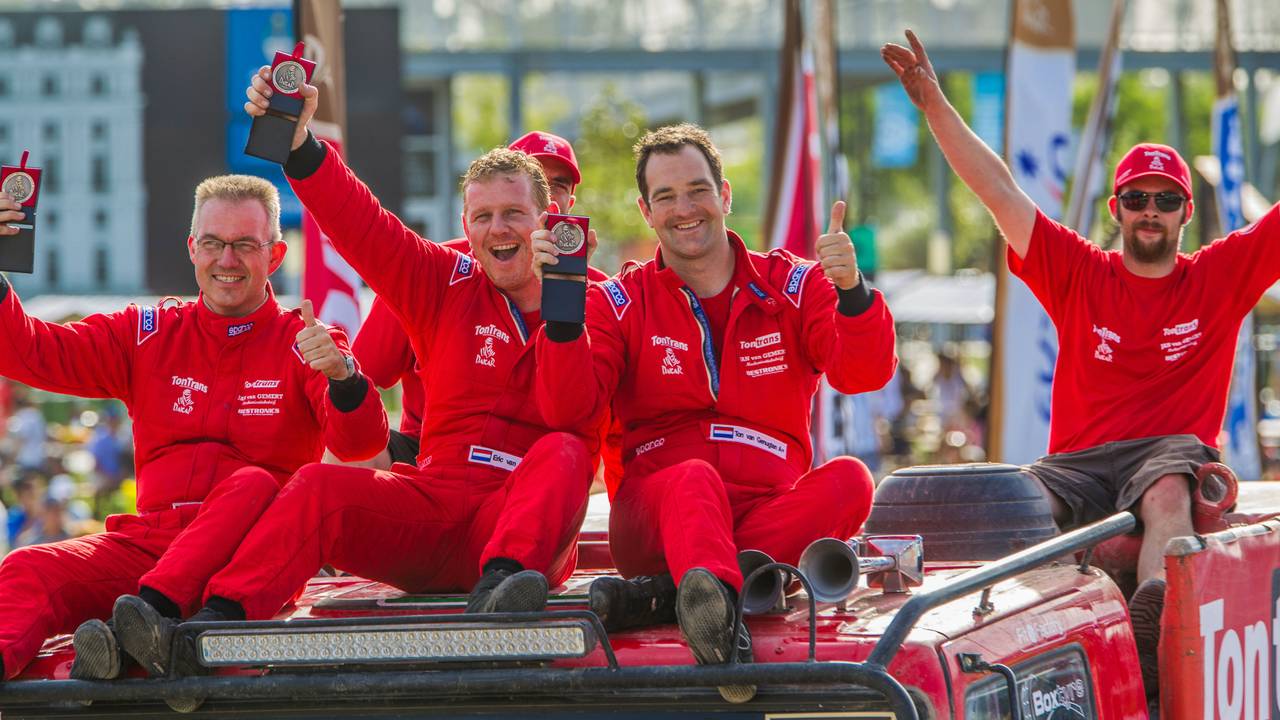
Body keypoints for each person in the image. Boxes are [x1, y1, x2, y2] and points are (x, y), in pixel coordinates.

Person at [113, 69, 605, 681]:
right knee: (318, 484)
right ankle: (214, 623)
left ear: (549, 215)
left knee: (562, 450)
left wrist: (562, 321)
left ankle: (505, 595)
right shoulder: (441, 280)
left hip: (524, 527)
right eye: (482, 216)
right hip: (435, 503)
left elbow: (576, 420)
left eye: (515, 214)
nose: (497, 229)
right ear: (464, 225)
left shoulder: (600, 300)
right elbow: (362, 225)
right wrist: (300, 147)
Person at [882, 30, 1280, 698]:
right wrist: (933, 105)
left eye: (1165, 200)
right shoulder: (1078, 271)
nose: (1150, 212)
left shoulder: (1219, 274)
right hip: (1076, 463)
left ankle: (1156, 631)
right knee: (1011, 502)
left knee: (1166, 490)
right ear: (1115, 208)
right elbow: (998, 190)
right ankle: (1001, 654)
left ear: (1187, 212)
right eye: (1137, 198)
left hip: (1170, 453)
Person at [533, 123, 897, 702]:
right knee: (692, 480)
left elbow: (865, 373)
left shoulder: (795, 284)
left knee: (852, 480)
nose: (685, 209)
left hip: (763, 515)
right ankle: (724, 641)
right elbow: (566, 409)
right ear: (645, 212)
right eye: (666, 197)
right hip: (657, 514)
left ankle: (666, 595)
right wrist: (560, 308)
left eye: (698, 190)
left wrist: (853, 291)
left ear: (724, 196)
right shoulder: (617, 302)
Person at [0, 174, 389, 682]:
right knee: (26, 570)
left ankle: (144, 624)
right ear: (192, 248)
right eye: (213, 243)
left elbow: (361, 445)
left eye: (244, 245)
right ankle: (137, 635)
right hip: (152, 548)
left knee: (253, 483)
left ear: (273, 256)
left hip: (246, 562)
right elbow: (32, 352)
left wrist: (344, 376)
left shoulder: (307, 340)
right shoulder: (147, 333)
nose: (226, 260)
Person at [340, 130, 596, 470]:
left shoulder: (594, 290)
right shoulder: (438, 271)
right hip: (434, 452)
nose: (548, 189)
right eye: (535, 175)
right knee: (349, 454)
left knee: (568, 456)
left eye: (558, 183)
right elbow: (365, 374)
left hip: (539, 462)